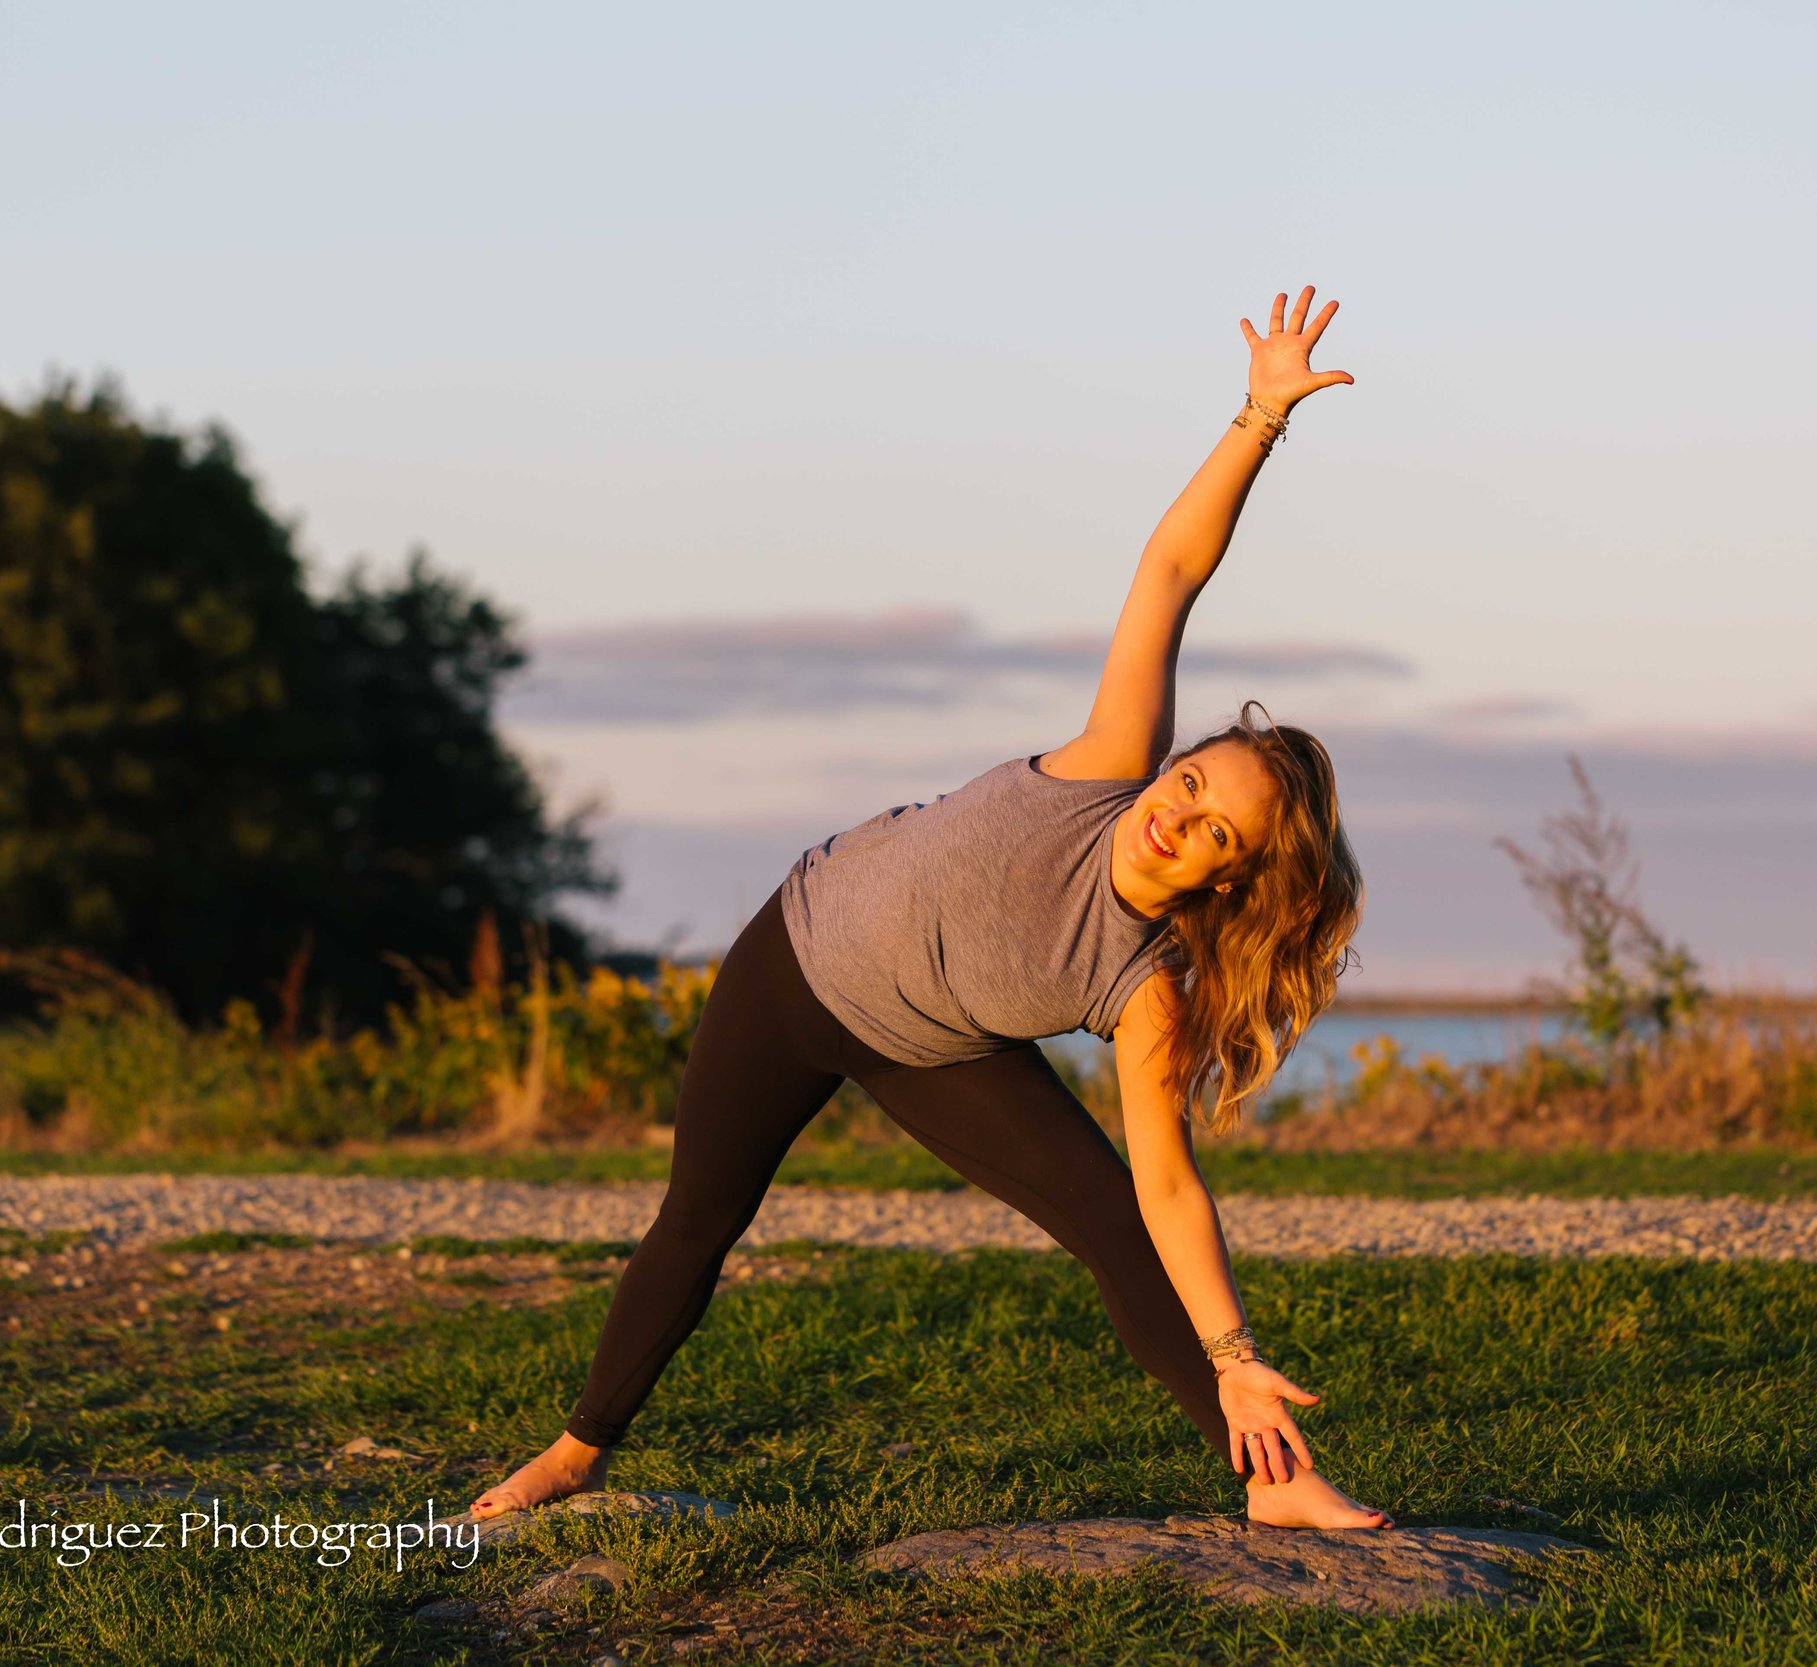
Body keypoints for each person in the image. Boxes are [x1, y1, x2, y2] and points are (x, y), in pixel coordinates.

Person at [473, 286, 1392, 1531]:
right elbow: (1170, 569)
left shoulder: (1145, 993)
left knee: (1116, 1220)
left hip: (927, 1045)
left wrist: (1233, 1355)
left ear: (1230, 877)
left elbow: (1172, 1189)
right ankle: (574, 1452)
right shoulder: (1110, 758)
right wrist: (1258, 419)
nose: (1176, 812)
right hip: (793, 964)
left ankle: (1272, 1485)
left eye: (1214, 828)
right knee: (696, 1219)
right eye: (1191, 782)